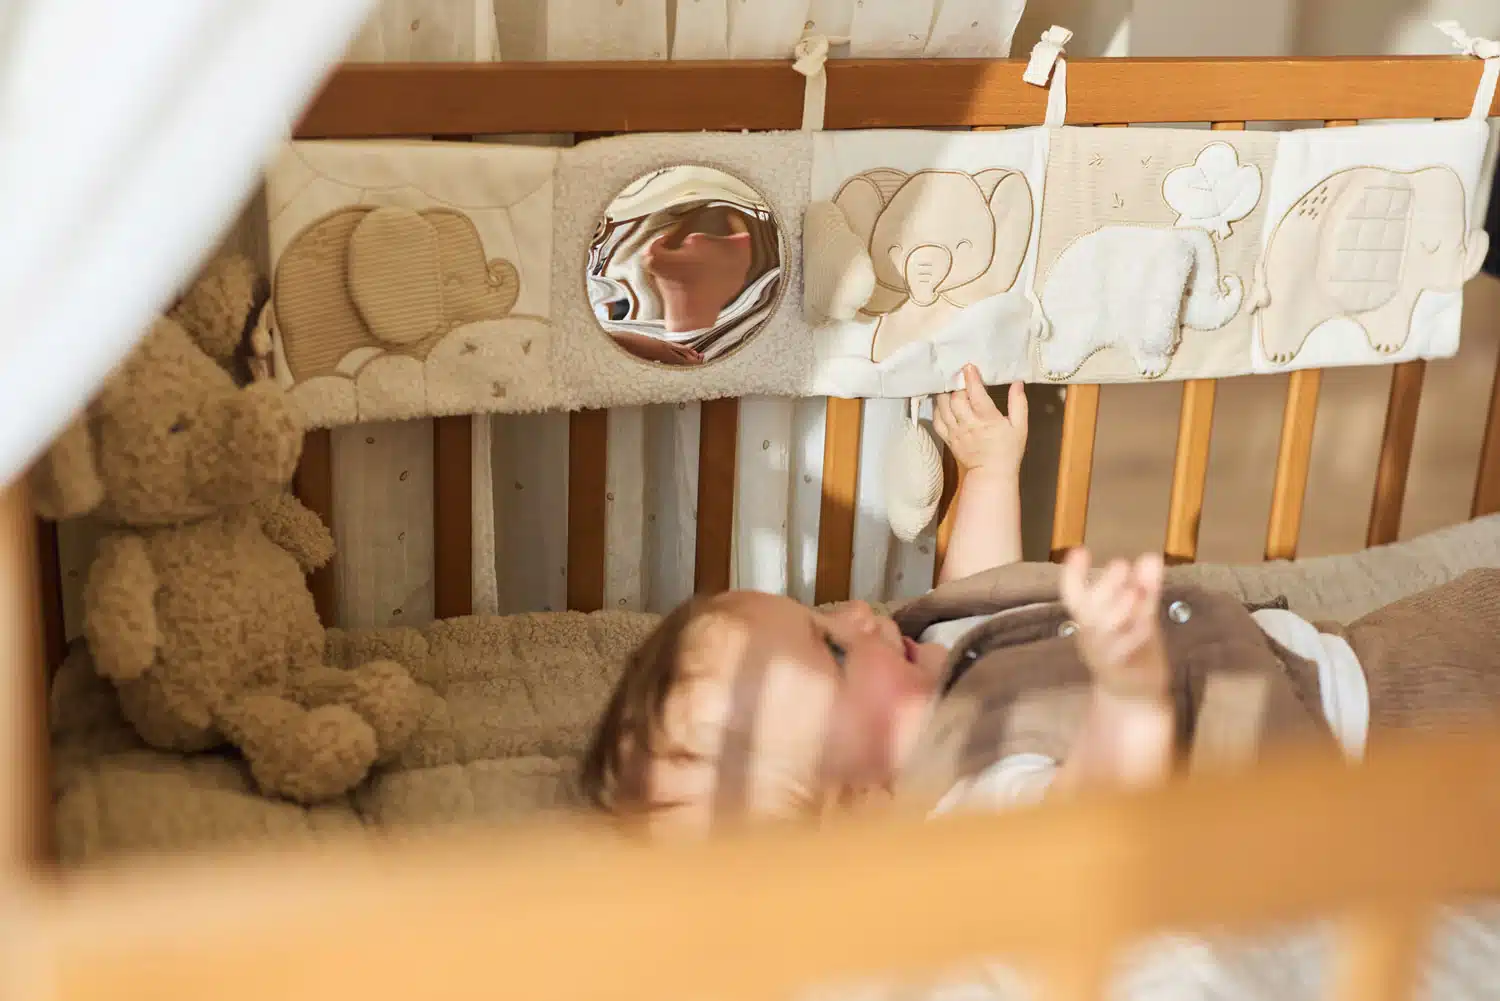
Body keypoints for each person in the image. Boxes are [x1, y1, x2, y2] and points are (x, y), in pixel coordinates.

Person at [580, 364, 1500, 837]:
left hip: (1348, 649)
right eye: (833, 650)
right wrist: (1128, 691)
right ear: (858, 802)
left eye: (817, 612)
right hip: (1370, 737)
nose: (857, 613)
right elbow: (1092, 805)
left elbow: (983, 590)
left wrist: (989, 471)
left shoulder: (939, 654)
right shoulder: (968, 798)